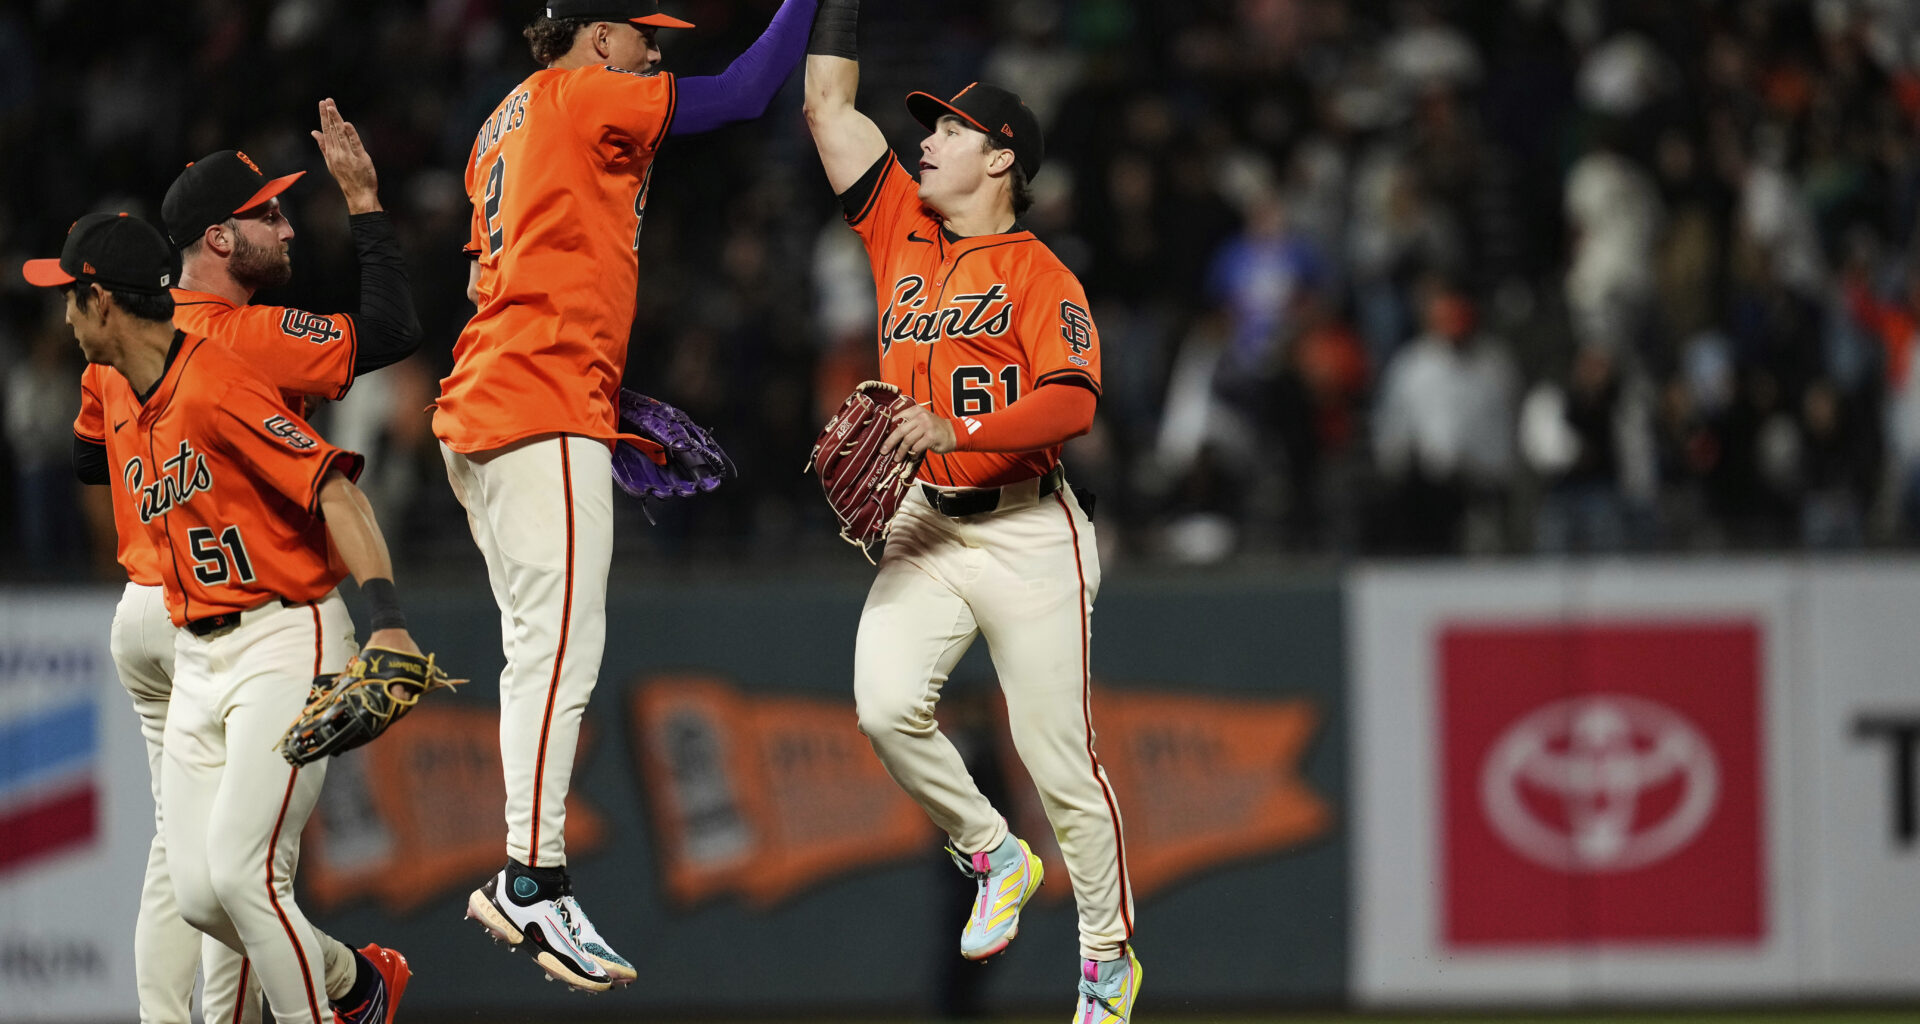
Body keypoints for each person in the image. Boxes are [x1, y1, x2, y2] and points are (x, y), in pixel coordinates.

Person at [436, 0, 819, 992]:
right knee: (561, 648)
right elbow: (742, 94)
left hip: (498, 400)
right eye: (644, 36)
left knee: (541, 645)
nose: (655, 54)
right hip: (535, 403)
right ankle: (531, 877)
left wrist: (600, 400)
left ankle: (531, 871)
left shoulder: (505, 116)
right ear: (598, 35)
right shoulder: (586, 88)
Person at [802, 4, 1142, 1021]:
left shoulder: (1044, 274)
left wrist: (953, 429)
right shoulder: (897, 224)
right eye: (930, 127)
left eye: (950, 129)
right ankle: (995, 853)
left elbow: (1073, 399)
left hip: (1030, 524)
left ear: (1002, 159)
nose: (928, 139)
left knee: (1059, 759)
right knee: (882, 704)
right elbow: (826, 102)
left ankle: (1106, 957)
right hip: (928, 523)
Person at [70, 103, 422, 1024]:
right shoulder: (237, 340)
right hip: (196, 616)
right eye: (269, 212)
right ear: (219, 237)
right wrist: (365, 203)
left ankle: (307, 1001)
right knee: (220, 880)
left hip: (176, 605)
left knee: (211, 871)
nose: (286, 225)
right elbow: (392, 327)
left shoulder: (115, 367)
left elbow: (82, 460)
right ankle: (347, 985)